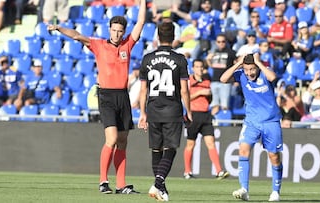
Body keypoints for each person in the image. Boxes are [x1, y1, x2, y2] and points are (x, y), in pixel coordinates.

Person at [47, 0, 147, 194]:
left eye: (120, 31)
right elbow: (76, 35)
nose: (117, 34)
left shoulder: (128, 45)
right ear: (109, 29)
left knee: (123, 141)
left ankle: (121, 185)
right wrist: (59, 28)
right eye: (114, 30)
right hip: (107, 96)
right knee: (111, 139)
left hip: (123, 97)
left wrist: (142, 1)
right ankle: (103, 181)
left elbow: (141, 22)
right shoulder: (98, 45)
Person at [137, 22, 192, 202]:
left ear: (158, 36)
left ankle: (161, 189)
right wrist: (189, 111)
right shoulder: (180, 59)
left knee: (156, 150)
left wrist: (142, 114)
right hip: (172, 110)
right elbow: (184, 90)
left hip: (153, 109)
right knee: (171, 149)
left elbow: (143, 90)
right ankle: (158, 183)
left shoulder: (147, 59)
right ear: (174, 36)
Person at [220, 53, 283, 202]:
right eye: (247, 69)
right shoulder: (241, 74)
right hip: (251, 121)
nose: (249, 73)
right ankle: (244, 189)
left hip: (271, 121)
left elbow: (273, 77)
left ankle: (275, 192)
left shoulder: (264, 72)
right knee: (243, 150)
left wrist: (259, 63)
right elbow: (223, 79)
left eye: (252, 69)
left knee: (274, 156)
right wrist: (239, 64)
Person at [183, 59, 229, 180]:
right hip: (193, 114)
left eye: (201, 67)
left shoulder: (207, 81)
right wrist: (199, 93)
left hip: (205, 115)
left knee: (211, 143)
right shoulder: (188, 81)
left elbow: (209, 98)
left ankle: (219, 171)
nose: (199, 69)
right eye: (197, 67)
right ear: (193, 68)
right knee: (190, 143)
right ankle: (187, 171)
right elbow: (185, 97)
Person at [206, 33, 237, 116]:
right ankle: (214, 124)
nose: (221, 43)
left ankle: (224, 124)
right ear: (216, 42)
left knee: (224, 105)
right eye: (219, 42)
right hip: (214, 80)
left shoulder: (231, 52)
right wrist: (208, 60)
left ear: (226, 42)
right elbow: (212, 66)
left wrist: (234, 79)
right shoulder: (214, 52)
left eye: (223, 41)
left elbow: (236, 65)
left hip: (226, 82)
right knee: (214, 105)